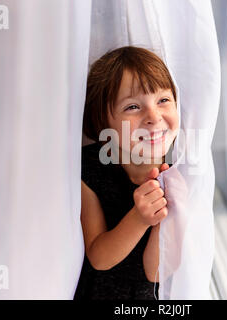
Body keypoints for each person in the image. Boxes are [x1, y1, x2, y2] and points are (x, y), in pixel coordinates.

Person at [74, 46, 180, 300]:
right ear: (103, 122)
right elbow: (99, 258)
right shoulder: (90, 170)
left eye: (163, 100)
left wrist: (165, 217)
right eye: (133, 107)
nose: (153, 117)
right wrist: (140, 218)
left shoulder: (178, 173)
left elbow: (156, 272)